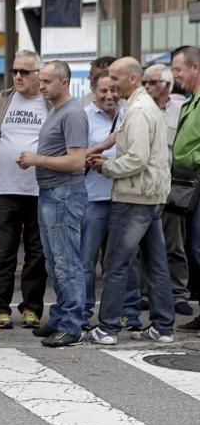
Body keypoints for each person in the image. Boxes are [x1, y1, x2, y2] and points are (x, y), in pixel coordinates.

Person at [86, 57, 174, 344]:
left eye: (115, 77)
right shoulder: (147, 107)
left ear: (132, 79)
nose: (111, 82)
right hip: (151, 195)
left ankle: (108, 328)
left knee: (116, 263)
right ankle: (163, 327)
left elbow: (136, 158)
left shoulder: (136, 111)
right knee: (156, 263)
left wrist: (106, 167)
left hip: (133, 196)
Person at [17, 60, 88, 348]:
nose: (41, 86)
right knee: (54, 260)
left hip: (64, 193)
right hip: (51, 192)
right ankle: (61, 316)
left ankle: (72, 325)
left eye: (47, 81)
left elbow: (76, 160)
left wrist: (37, 159)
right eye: (41, 80)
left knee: (66, 261)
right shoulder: (58, 111)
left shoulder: (72, 113)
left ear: (64, 82)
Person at [0, 50, 49, 330]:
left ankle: (32, 308)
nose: (18, 77)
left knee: (37, 253)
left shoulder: (49, 102)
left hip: (40, 189)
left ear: (38, 75)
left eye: (25, 72)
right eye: (15, 71)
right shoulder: (3, 99)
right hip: (4, 189)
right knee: (1, 252)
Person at [80, 74, 141, 330]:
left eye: (113, 90)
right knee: (86, 261)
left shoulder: (129, 114)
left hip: (122, 198)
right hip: (93, 200)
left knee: (125, 260)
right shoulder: (83, 117)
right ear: (93, 91)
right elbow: (75, 157)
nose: (109, 95)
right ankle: (82, 312)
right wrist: (97, 155)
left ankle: (129, 312)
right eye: (103, 90)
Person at [141, 63, 192, 316]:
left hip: (173, 188)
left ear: (167, 86)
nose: (147, 87)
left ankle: (178, 292)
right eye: (145, 83)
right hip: (145, 188)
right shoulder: (138, 109)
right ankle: (145, 293)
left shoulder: (181, 110)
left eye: (152, 82)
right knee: (143, 245)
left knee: (174, 244)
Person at [169, 46, 200, 332]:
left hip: (197, 178)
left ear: (195, 68)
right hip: (189, 182)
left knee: (197, 247)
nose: (174, 75)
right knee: (193, 246)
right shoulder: (191, 102)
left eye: (178, 69)